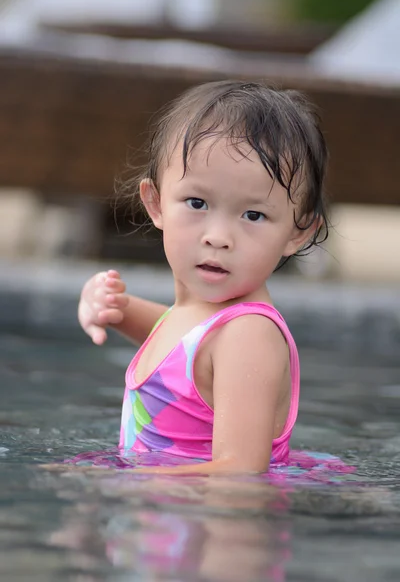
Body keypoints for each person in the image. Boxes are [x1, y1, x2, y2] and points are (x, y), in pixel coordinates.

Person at [78, 80, 329, 475]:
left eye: (253, 215)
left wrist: (122, 482)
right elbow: (183, 346)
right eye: (197, 203)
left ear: (297, 232)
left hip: (214, 533)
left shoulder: (249, 335)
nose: (218, 237)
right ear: (155, 203)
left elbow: (239, 474)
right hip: (174, 522)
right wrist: (115, 308)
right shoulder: (204, 314)